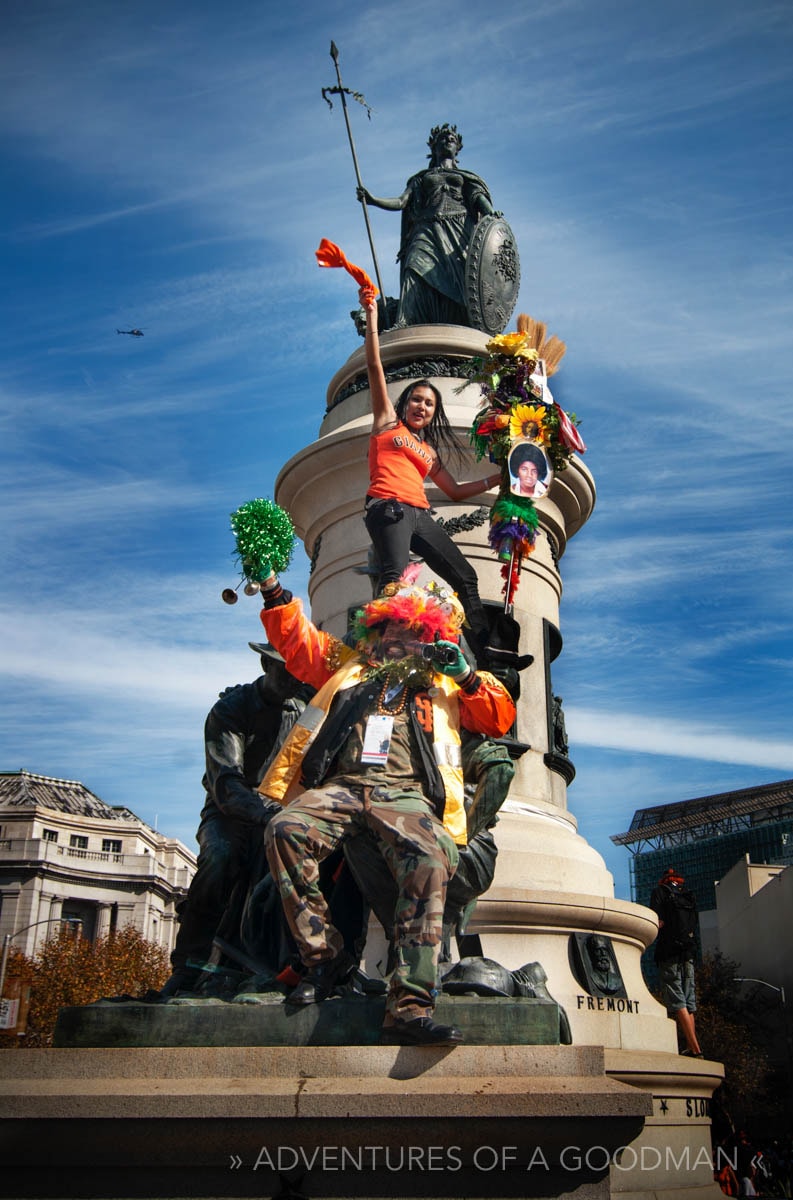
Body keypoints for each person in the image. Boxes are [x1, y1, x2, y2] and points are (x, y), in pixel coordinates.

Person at [255, 568, 516, 1045]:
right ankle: (324, 956)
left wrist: (467, 674)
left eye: (416, 630)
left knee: (431, 856)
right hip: (343, 786)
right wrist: (274, 589)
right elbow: (299, 643)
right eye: (394, 627)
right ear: (376, 630)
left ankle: (411, 1004)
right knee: (285, 828)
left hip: (405, 794)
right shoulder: (347, 664)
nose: (402, 637)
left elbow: (498, 717)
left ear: (431, 636)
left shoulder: (445, 680)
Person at [158, 644, 314, 997]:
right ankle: (190, 962)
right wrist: (265, 813)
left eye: (300, 672)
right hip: (231, 810)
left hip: (282, 811)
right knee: (220, 857)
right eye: (286, 671)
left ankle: (289, 963)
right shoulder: (230, 709)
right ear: (265, 664)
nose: (294, 679)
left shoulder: (307, 705)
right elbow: (226, 783)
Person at [361, 287, 500, 667]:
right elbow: (375, 368)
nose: (421, 406)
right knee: (394, 581)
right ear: (404, 403)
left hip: (419, 514)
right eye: (417, 399)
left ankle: (486, 652)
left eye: (429, 403)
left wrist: (495, 481)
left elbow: (453, 491)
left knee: (465, 575)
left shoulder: (429, 453)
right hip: (388, 508)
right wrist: (373, 318)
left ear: (433, 411)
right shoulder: (388, 424)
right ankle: (381, 655)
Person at [358, 124, 497, 327]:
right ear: (434, 147)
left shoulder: (466, 177)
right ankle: (404, 321)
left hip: (459, 231)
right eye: (443, 139)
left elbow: (477, 197)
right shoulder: (421, 178)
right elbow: (401, 201)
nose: (447, 141)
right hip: (427, 228)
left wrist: (490, 213)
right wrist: (373, 200)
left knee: (462, 281)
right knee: (413, 267)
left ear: (457, 147)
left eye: (451, 139)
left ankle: (464, 322)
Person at [649, 867, 703, 1057]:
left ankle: (696, 1049)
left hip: (669, 951)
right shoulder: (686, 894)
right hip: (688, 952)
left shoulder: (660, 893)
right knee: (689, 1001)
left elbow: (658, 922)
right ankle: (691, 1044)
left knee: (677, 997)